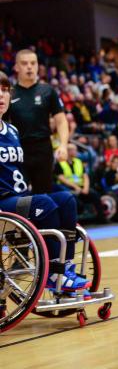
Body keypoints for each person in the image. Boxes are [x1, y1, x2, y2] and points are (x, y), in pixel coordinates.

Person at [0, 72, 89, 292]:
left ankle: (65, 268)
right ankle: (52, 272)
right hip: (3, 203)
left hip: (17, 198)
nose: (1, 95)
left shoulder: (12, 130)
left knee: (66, 199)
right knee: (45, 204)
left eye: (4, 90)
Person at [9, 49, 69, 193]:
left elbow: (61, 121)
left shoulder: (48, 90)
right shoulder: (9, 93)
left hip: (43, 149)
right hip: (18, 150)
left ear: (37, 66)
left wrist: (63, 145)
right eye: (24, 63)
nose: (29, 67)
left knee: (43, 196)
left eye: (33, 63)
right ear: (16, 67)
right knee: (18, 196)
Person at [55, 143, 107, 222]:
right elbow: (61, 178)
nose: (76, 152)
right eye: (74, 150)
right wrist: (76, 187)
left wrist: (85, 188)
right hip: (67, 188)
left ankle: (101, 218)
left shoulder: (78, 161)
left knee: (95, 195)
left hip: (81, 186)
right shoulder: (59, 163)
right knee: (76, 201)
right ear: (68, 151)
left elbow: (85, 176)